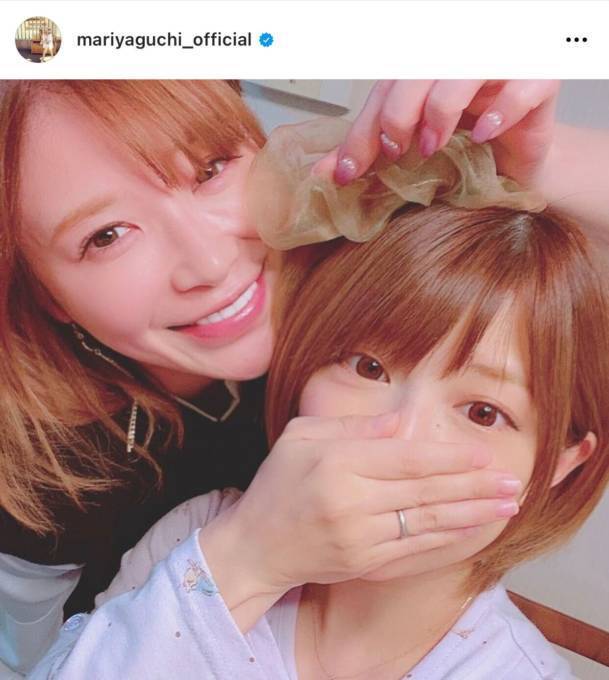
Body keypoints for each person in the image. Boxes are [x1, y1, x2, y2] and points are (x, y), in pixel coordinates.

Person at [0, 79, 607, 674]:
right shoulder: (50, 472)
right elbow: (30, 650)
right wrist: (246, 560)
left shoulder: (358, 245)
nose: (210, 264)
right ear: (44, 292)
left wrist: (536, 159)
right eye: (105, 236)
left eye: (211, 169)